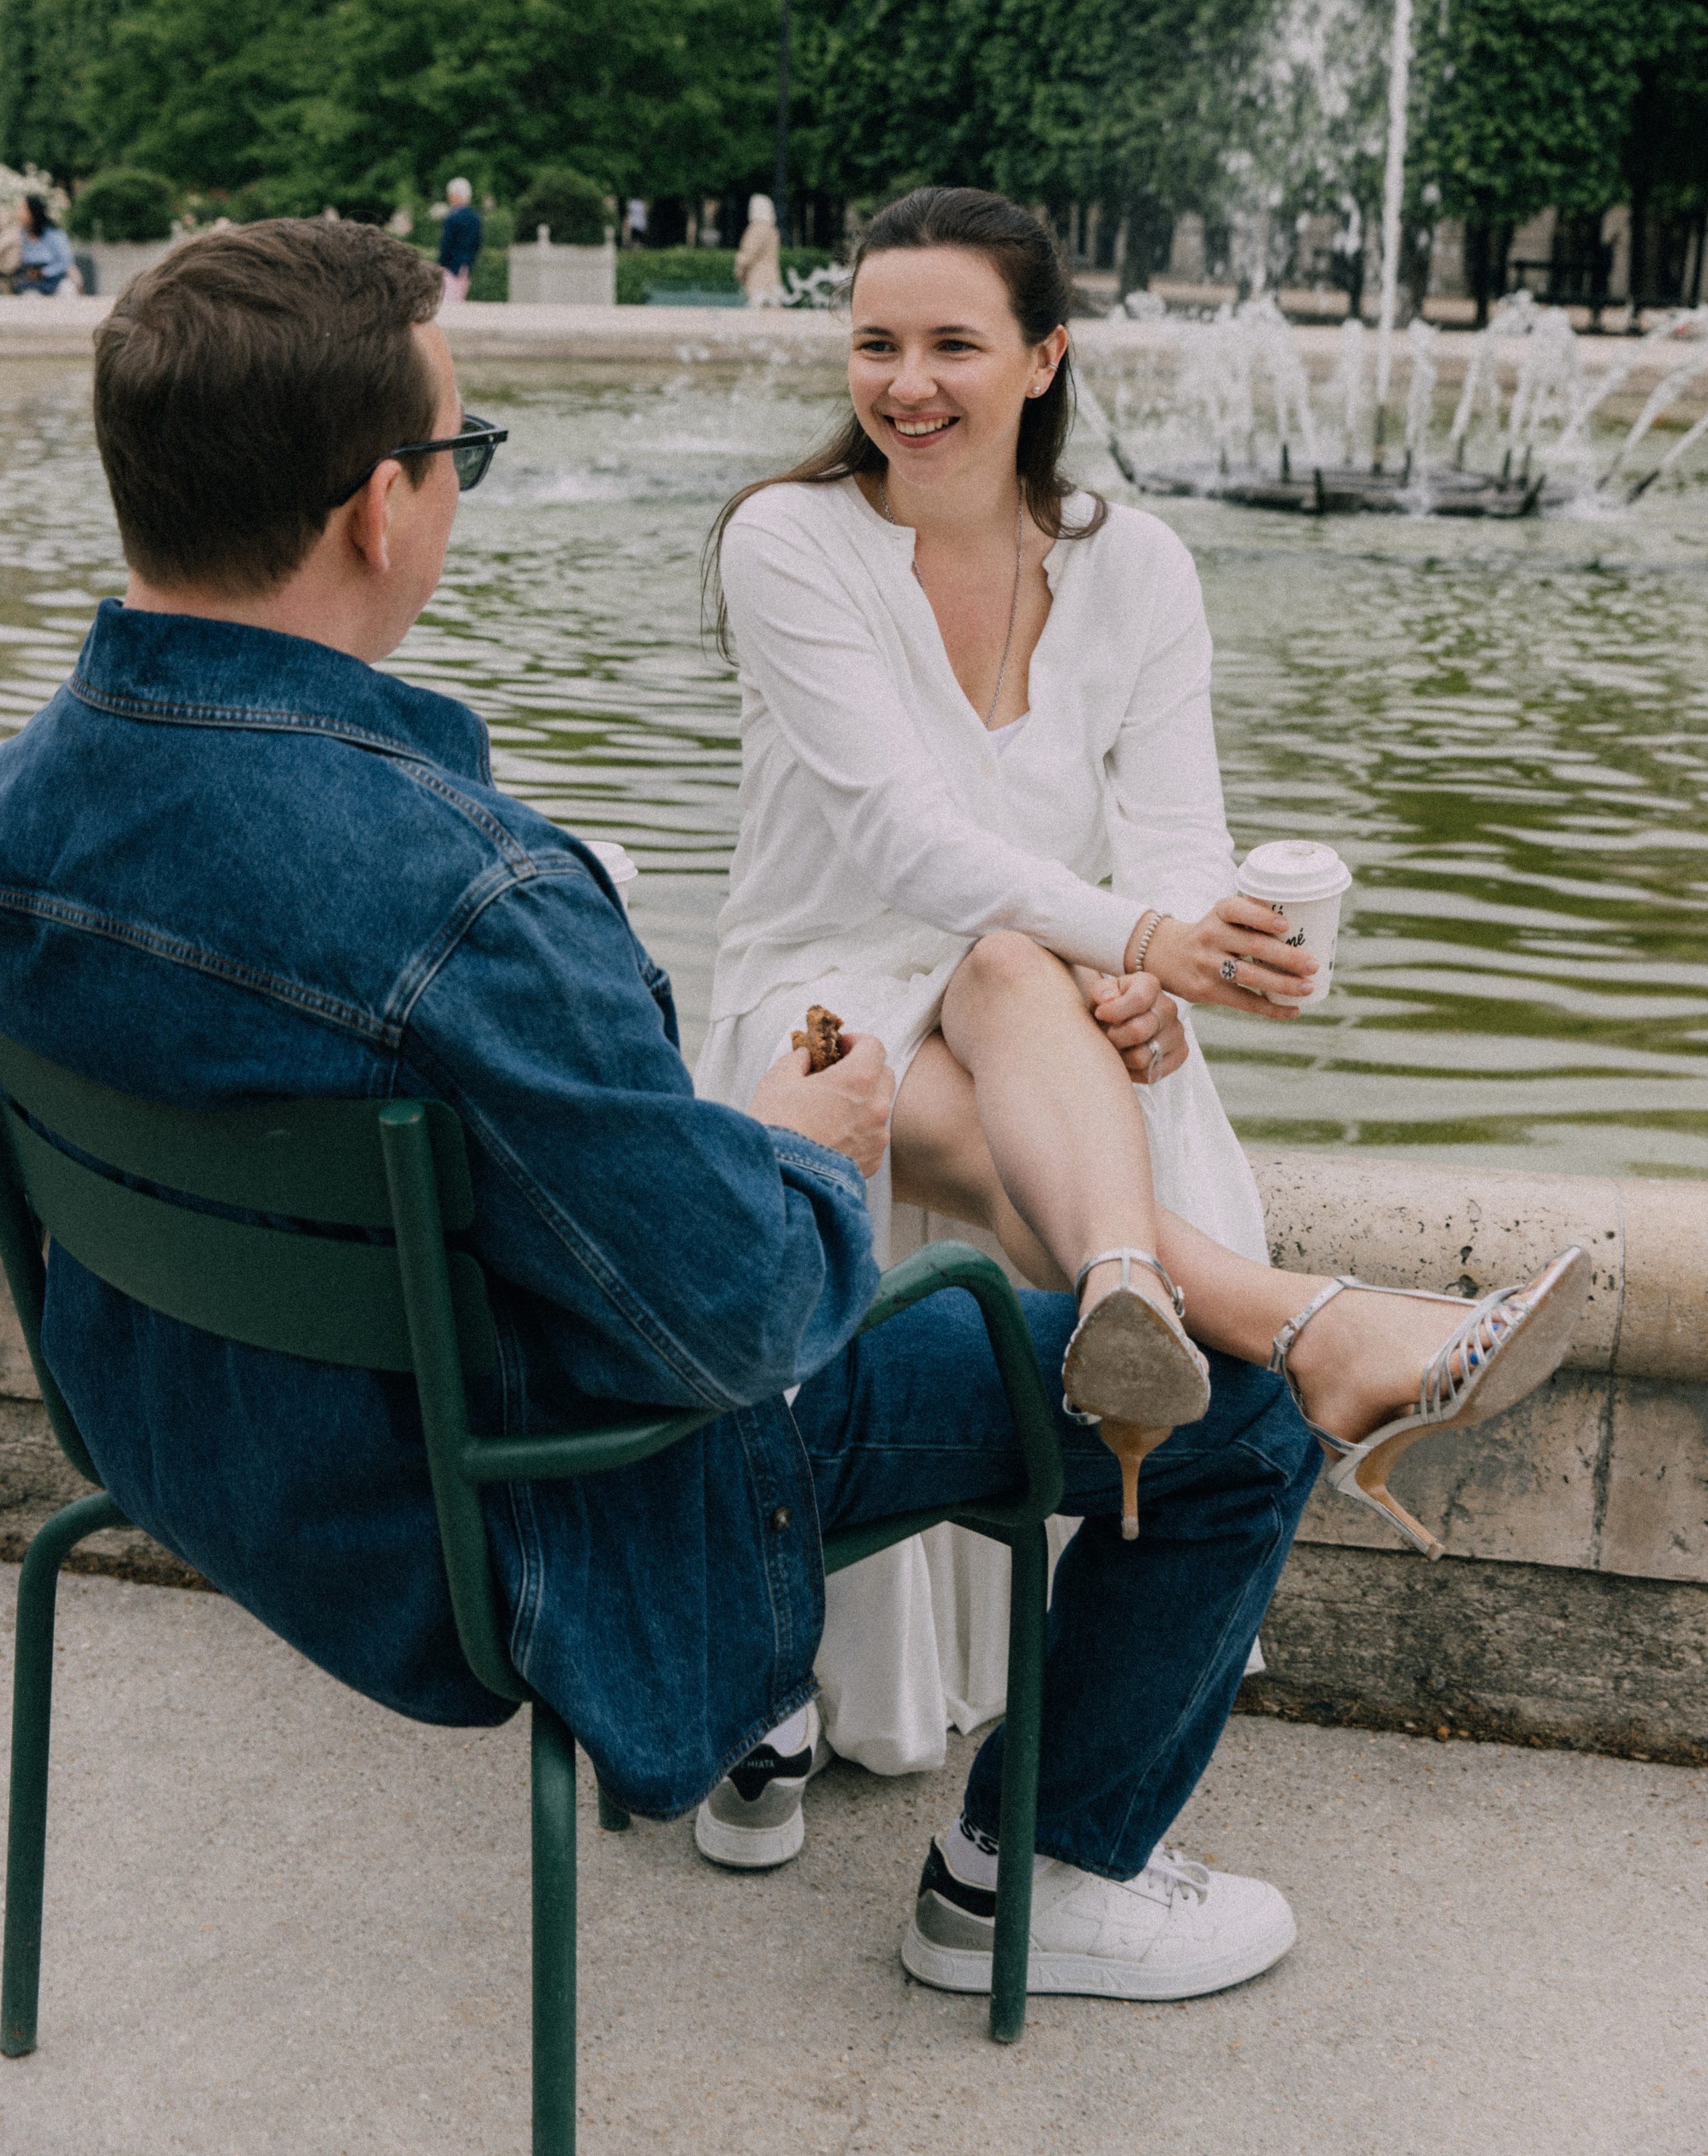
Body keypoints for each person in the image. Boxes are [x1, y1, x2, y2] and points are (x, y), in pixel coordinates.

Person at [0, 215, 1581, 2015]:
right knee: (1228, 1419)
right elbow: (741, 1321)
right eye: (463, 456)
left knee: (1001, 1009)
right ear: (384, 508)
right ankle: (1024, 1879)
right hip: (512, 1520)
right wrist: (795, 1137)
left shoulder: (22, 804)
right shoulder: (479, 898)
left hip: (181, 1454)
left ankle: (1139, 1380)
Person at [691, 185, 1588, 1935]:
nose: (909, 382)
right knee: (1007, 968)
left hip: (1033, 1009)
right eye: (877, 342)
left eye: (954, 343)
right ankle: (1302, 1327)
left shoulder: (1137, 560)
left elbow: (1179, 836)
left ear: (1047, 355)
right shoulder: (788, 539)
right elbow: (897, 846)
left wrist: (1175, 959)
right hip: (816, 1004)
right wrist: (1134, 941)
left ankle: (1139, 1286)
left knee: (1027, 978)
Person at [15, 193, 80, 296]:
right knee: (29, 299)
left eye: (22, 209)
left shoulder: (54, 235)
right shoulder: (20, 235)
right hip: (33, 284)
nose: (18, 213)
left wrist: (44, 272)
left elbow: (65, 262)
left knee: (67, 291)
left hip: (56, 280)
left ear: (33, 212)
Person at [436, 175, 482, 304]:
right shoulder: (476, 218)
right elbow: (477, 243)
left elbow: (447, 244)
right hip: (466, 265)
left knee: (448, 302)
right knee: (459, 299)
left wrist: (441, 264)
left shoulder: (453, 217)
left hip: (451, 267)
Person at [735, 191, 783, 306]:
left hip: (758, 280)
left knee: (757, 317)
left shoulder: (755, 230)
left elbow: (748, 255)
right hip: (774, 279)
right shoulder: (773, 231)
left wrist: (739, 267)